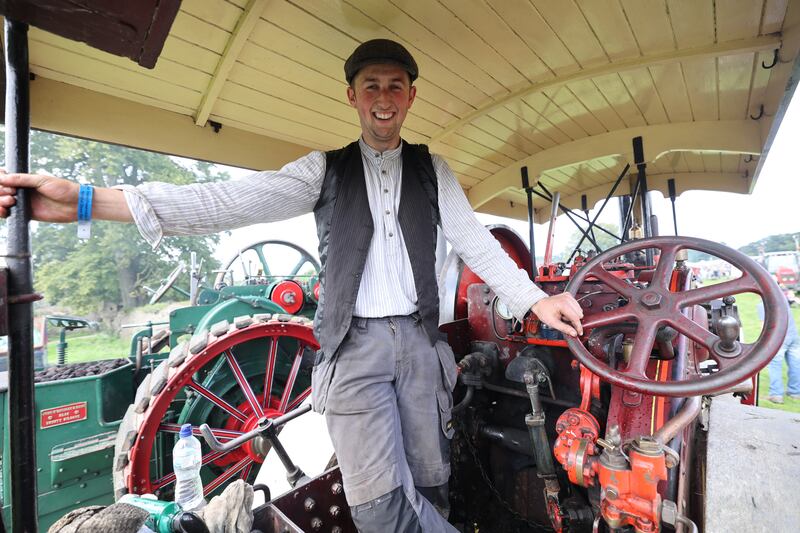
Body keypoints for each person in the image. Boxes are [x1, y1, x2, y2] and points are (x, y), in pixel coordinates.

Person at [0, 39, 583, 532]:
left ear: (411, 96)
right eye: (371, 86)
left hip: (422, 347)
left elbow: (476, 243)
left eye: (396, 86)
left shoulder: (436, 172)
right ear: (352, 95)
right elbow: (228, 201)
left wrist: (537, 297)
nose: (384, 98)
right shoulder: (323, 170)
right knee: (377, 505)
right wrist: (83, 202)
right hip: (352, 353)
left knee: (432, 482)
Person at [758, 296, 800, 404]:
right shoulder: (783, 300)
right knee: (795, 365)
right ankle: (795, 392)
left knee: (775, 366)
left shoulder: (762, 304)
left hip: (779, 338)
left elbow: (763, 326)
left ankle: (776, 395)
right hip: (793, 336)